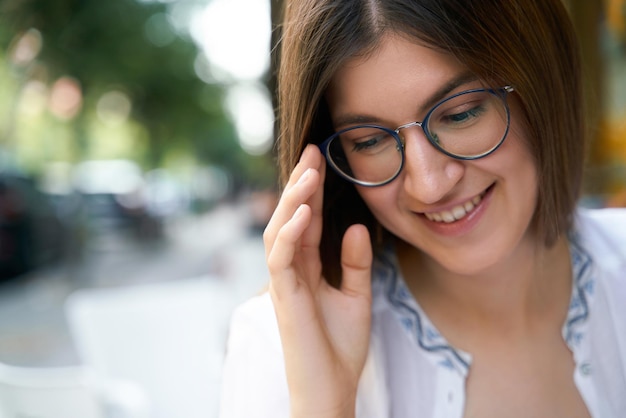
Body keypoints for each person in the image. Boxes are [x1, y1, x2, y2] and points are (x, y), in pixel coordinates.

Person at [219, 0, 626, 417]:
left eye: (461, 113)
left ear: (543, 81)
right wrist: (327, 406)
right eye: (369, 141)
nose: (429, 186)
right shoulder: (282, 346)